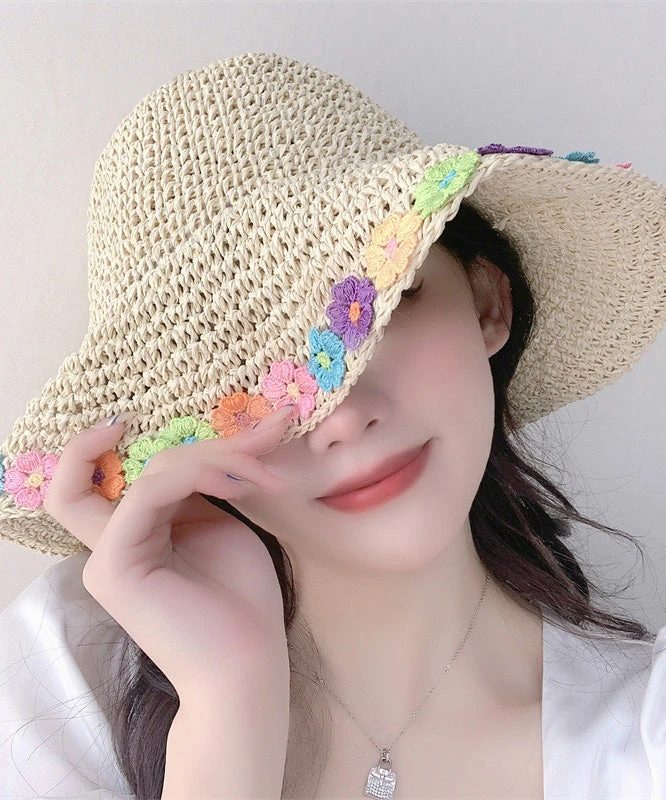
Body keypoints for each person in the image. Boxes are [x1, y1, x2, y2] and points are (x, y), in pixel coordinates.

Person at [0, 51, 664, 800]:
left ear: (488, 303)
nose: (342, 417)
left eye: (385, 307)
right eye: (250, 376)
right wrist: (228, 705)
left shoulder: (646, 740)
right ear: (174, 443)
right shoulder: (61, 687)